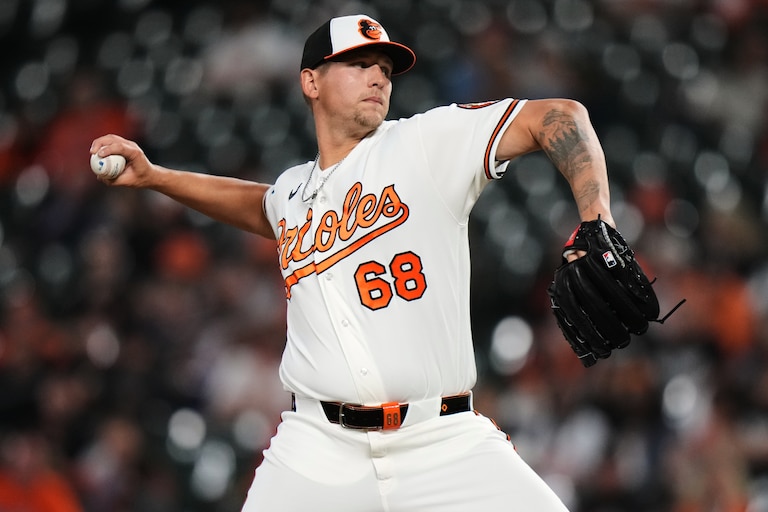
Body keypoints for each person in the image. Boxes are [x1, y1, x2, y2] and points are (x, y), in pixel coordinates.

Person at [90, 14, 615, 511]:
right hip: (317, 445)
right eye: (359, 65)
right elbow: (260, 205)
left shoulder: (424, 143)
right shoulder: (293, 191)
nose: (377, 79)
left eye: (384, 70)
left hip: (442, 438)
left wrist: (598, 221)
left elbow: (561, 116)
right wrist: (156, 176)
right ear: (311, 83)